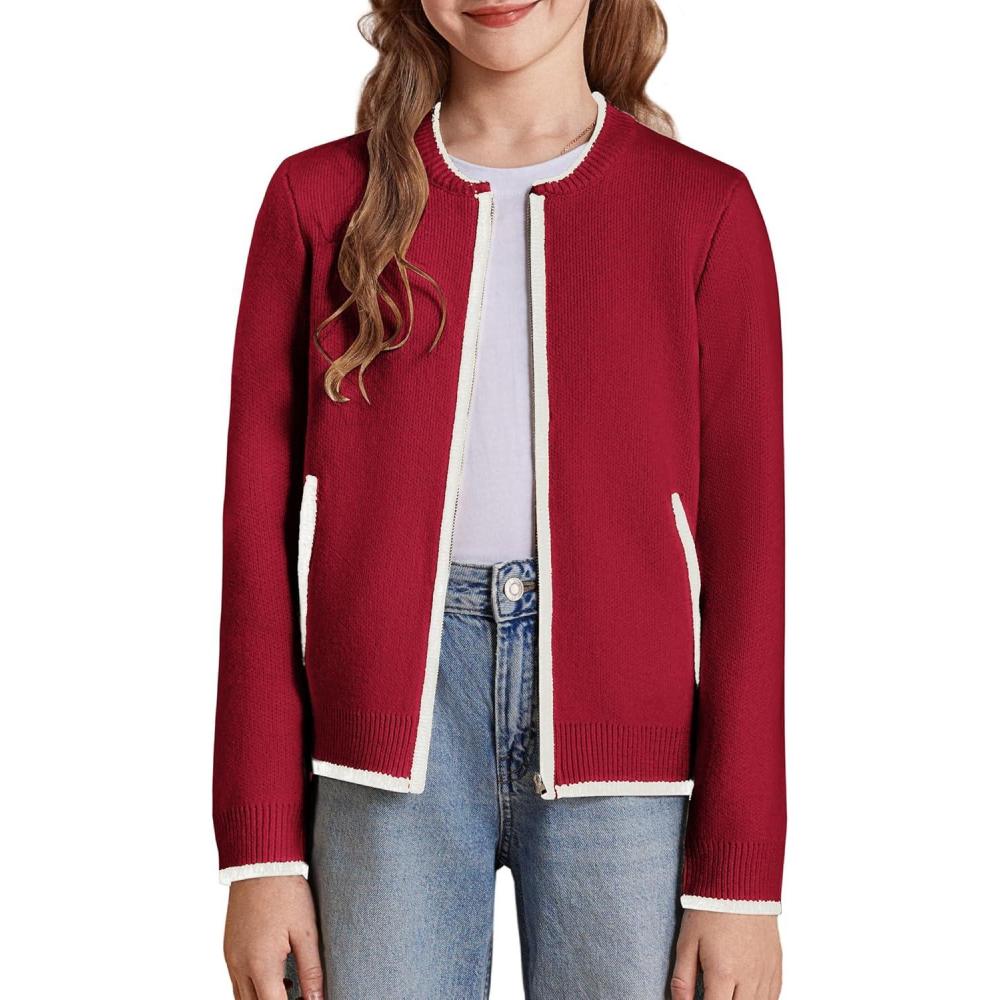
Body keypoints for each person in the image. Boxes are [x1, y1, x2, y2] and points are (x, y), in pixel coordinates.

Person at [213, 2, 786, 998]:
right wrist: (260, 854)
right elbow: (256, 547)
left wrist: (740, 881)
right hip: (382, 749)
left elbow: (750, 557)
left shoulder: (704, 208)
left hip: (632, 754)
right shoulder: (318, 199)